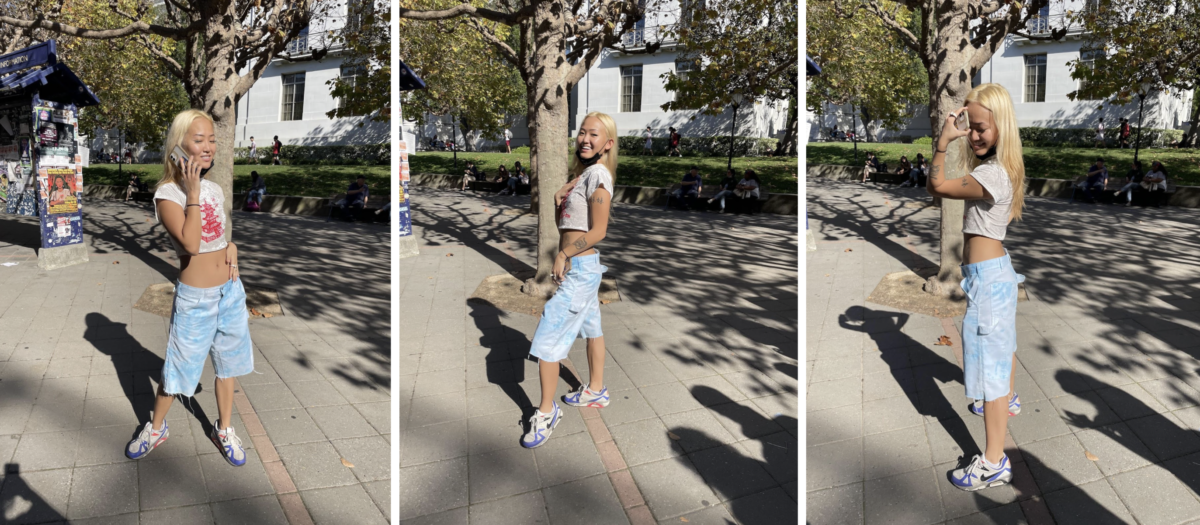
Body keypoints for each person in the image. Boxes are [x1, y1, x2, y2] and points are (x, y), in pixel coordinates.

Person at [127, 109, 252, 468]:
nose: (209, 146)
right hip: (196, 299)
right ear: (179, 147)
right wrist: (192, 191)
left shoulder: (212, 187)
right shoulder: (169, 194)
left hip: (229, 291)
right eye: (199, 140)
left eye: (212, 139)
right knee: (178, 370)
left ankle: (224, 429)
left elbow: (215, 235)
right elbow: (192, 244)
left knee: (227, 367)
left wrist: (231, 246)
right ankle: (156, 427)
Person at [927, 83, 1027, 492]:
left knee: (989, 372)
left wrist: (943, 142)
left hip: (989, 280)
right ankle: (1008, 400)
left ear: (1001, 125)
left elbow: (937, 187)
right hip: (993, 273)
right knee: (1003, 351)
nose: (973, 134)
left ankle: (993, 462)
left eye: (981, 127)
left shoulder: (989, 174)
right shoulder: (1001, 168)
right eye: (969, 127)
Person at [522, 111, 617, 449]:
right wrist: (558, 199)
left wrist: (563, 255)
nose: (585, 139)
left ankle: (546, 413)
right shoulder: (586, 175)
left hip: (579, 268)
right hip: (583, 269)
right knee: (593, 328)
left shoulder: (598, 177)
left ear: (607, 144)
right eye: (581, 132)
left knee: (548, 339)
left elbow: (599, 231)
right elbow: (570, 224)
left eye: (594, 134)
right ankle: (595, 391)